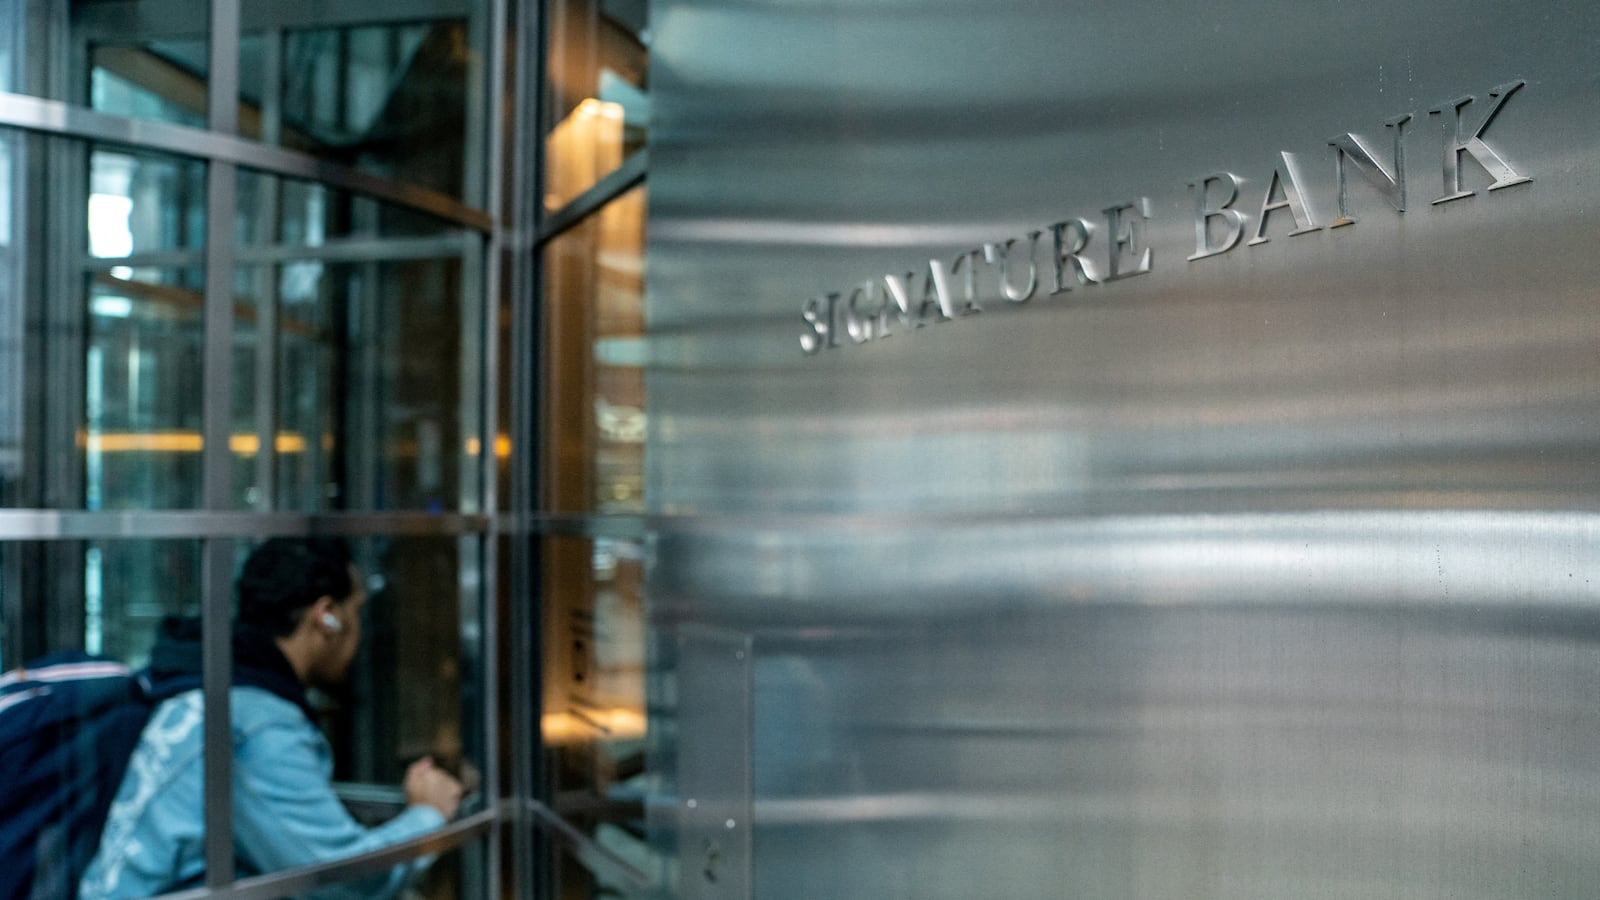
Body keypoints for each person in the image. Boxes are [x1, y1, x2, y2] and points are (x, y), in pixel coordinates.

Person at [79, 537, 464, 899]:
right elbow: (345, 880)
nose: (361, 632)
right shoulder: (256, 725)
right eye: (357, 611)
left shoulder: (204, 686)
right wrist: (427, 815)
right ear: (327, 617)